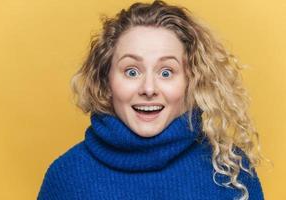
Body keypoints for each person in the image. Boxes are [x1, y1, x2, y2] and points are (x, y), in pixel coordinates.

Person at [38, 1, 267, 199]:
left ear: (192, 81)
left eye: (166, 72)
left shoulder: (233, 171)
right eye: (131, 71)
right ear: (106, 81)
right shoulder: (66, 177)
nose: (148, 89)